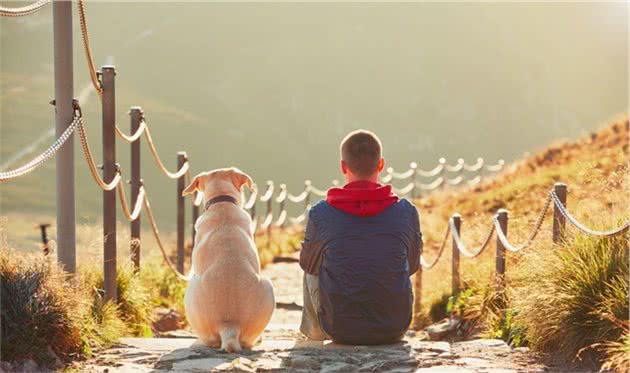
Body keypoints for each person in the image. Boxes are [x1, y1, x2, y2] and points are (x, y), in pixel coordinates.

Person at [299, 129, 423, 345]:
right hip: (394, 329)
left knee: (312, 267)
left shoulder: (321, 213)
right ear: (381, 165)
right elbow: (412, 266)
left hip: (339, 329)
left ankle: (315, 334)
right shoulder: (406, 212)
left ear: (343, 166)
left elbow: (307, 265)